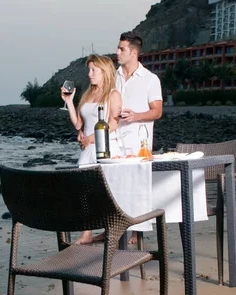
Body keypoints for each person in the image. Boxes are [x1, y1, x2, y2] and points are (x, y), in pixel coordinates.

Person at [61, 54, 122, 244]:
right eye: (89, 69)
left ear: (104, 72)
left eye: (93, 70)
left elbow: (113, 124)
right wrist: (69, 102)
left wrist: (90, 138)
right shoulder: (87, 94)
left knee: (105, 190)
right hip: (86, 149)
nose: (89, 74)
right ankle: (87, 232)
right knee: (83, 190)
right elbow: (79, 123)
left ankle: (110, 229)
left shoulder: (113, 94)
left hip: (105, 146)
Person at [115, 31, 163, 244]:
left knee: (137, 185)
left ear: (133, 52)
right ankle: (115, 227)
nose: (117, 52)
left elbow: (157, 111)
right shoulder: (113, 77)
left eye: (121, 49)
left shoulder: (150, 79)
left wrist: (136, 116)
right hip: (114, 139)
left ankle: (138, 230)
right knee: (115, 185)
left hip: (138, 140)